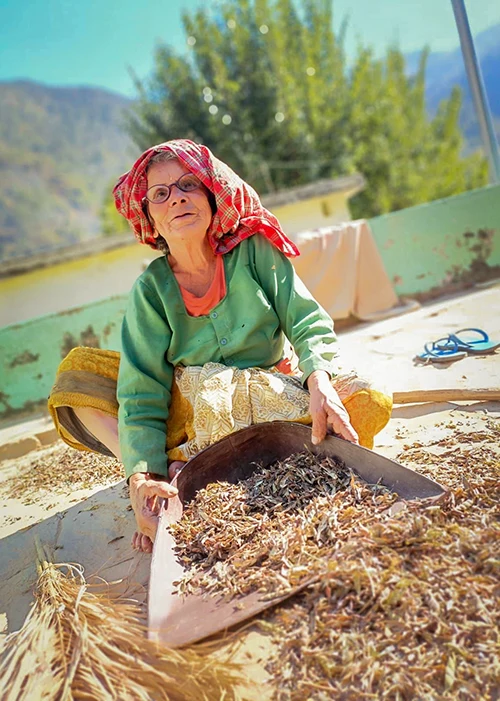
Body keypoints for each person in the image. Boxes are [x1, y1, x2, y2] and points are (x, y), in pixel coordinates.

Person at [49, 139, 392, 554]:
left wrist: (320, 380)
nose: (177, 198)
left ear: (211, 196)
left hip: (271, 402)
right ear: (150, 220)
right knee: (78, 372)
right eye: (161, 194)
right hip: (191, 417)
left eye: (188, 185)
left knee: (369, 399)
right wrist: (141, 476)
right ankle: (165, 478)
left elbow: (306, 319)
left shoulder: (254, 251)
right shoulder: (151, 291)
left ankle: (200, 469)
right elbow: (142, 393)